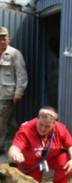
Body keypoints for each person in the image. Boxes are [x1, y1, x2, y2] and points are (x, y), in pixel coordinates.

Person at [8, 106, 72, 183]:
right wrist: (15, 154)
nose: (43, 129)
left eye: (47, 126)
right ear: (37, 119)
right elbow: (14, 148)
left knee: (66, 160)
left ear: (53, 124)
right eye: (41, 124)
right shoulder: (26, 129)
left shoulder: (59, 128)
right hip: (31, 163)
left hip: (51, 157)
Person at [0, 26, 28, 155]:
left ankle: (0, 146)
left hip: (6, 94)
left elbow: (21, 74)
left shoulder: (14, 53)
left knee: (1, 120)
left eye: (3, 38)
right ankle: (22, 141)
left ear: (8, 39)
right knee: (8, 121)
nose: (1, 41)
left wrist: (19, 92)